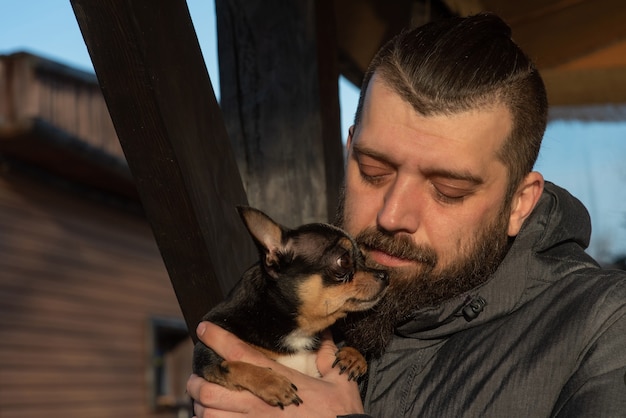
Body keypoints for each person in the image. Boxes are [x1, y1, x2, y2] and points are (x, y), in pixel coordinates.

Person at [187, 12, 626, 417]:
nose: (393, 215)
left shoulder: (604, 330)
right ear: (349, 150)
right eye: (374, 171)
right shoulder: (313, 305)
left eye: (447, 190)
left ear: (519, 204)